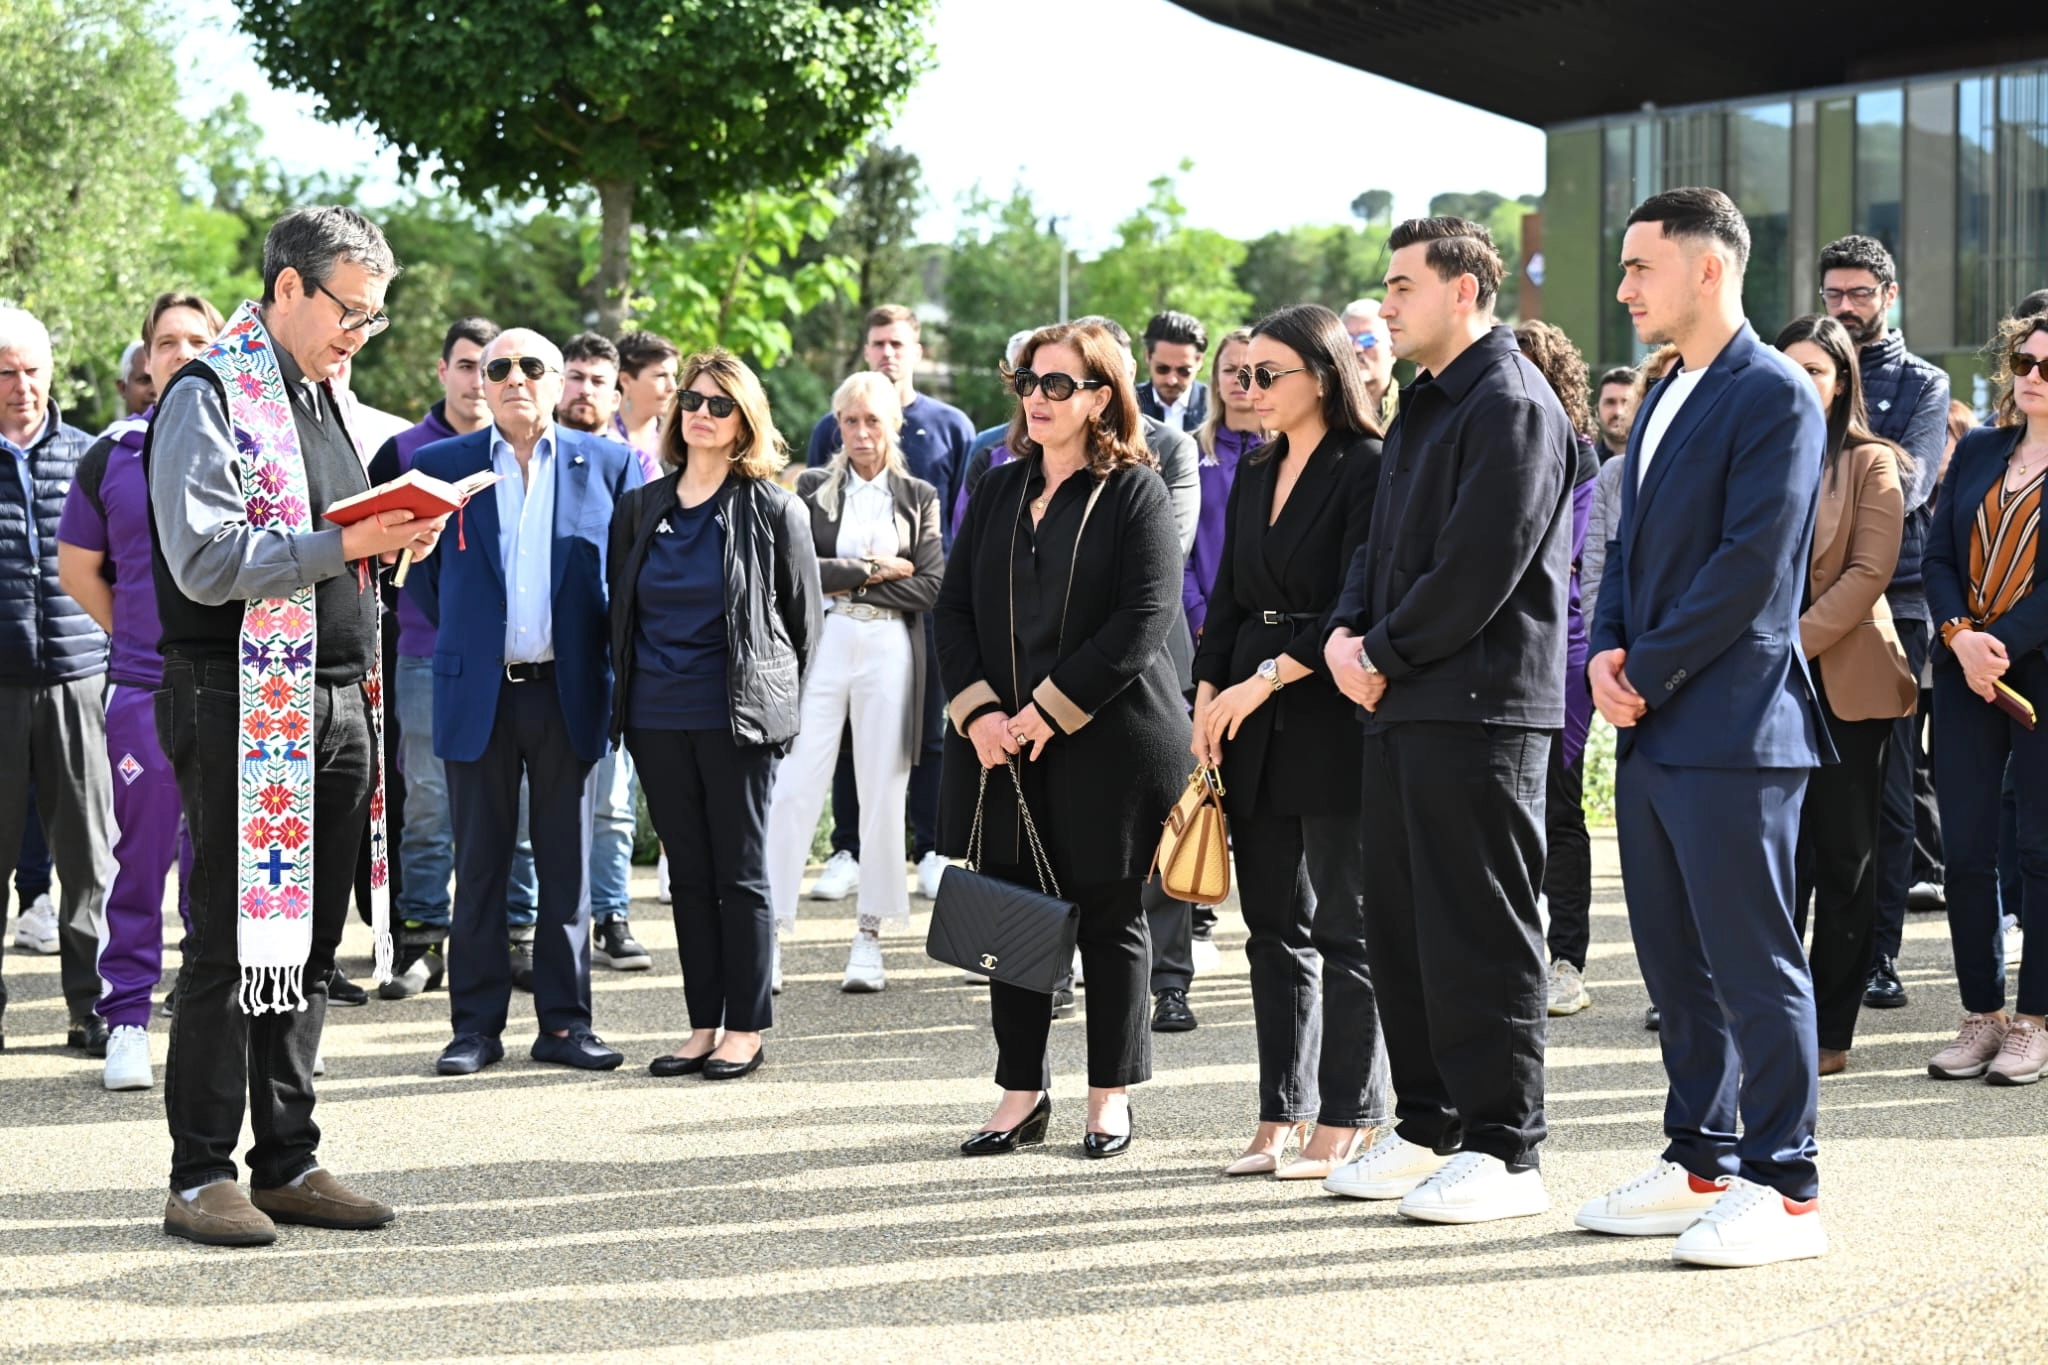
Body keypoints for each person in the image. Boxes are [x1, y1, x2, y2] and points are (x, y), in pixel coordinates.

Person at [146, 206, 436, 1246]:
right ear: (286, 289)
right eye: (350, 311)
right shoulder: (211, 391)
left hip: (334, 696)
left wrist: (385, 543)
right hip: (235, 694)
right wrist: (342, 542)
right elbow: (208, 561)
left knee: (307, 946)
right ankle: (197, 1174)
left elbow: (320, 544)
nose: (362, 332)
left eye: (376, 318)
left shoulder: (319, 395)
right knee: (230, 941)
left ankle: (286, 1159)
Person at [1579, 187, 1831, 1267]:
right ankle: (1701, 1160)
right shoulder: (1667, 389)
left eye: (1640, 267)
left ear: (1706, 269)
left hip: (1734, 728)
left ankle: (1785, 1187)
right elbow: (1626, 546)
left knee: (1753, 961)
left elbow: (1751, 567)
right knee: (1674, 965)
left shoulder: (1773, 394)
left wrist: (1651, 666)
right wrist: (1604, 648)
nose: (1625, 287)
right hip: (1651, 724)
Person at [1318, 217, 1571, 1224]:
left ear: (1463, 290)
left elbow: (1480, 563)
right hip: (1400, 700)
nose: (1384, 303)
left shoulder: (1511, 403)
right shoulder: (1423, 404)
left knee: (1478, 929)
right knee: (1403, 926)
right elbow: (1375, 550)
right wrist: (1345, 636)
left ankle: (1506, 1152)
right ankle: (1429, 1129)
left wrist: (1377, 653)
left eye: (1401, 285)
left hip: (1478, 705)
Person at [938, 321, 1188, 1158]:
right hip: (1001, 743)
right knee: (1013, 915)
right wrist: (978, 714)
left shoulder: (1135, 492)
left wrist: (1046, 709)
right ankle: (1020, 1092)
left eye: (1058, 384)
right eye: (1029, 382)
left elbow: (1143, 620)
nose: (1037, 398)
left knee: (1110, 916)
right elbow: (955, 611)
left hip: (1108, 737)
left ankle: (1108, 1097)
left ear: (1102, 397)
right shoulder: (999, 486)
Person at [409, 328, 644, 1077]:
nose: (511, 378)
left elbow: (630, 577)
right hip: (477, 691)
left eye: (529, 367)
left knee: (567, 867)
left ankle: (567, 1024)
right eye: (496, 367)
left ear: (557, 380)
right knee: (477, 865)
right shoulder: (440, 466)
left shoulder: (608, 464)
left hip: (566, 692)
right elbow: (422, 580)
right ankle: (474, 1028)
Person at [1190, 304, 1391, 1179]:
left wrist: (1263, 678)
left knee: (1343, 924)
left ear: (1323, 373)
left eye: (1269, 373)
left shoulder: (1368, 467)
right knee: (1270, 926)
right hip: (1244, 714)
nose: (1250, 389)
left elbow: (1356, 601)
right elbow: (1229, 595)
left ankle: (1349, 1113)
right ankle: (1280, 1108)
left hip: (1323, 710)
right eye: (1243, 373)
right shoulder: (1256, 467)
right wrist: (1204, 691)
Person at [611, 349, 818, 1080]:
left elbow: (801, 628)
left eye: (719, 405)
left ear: (744, 422)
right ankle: (702, 1023)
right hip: (655, 717)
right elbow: (622, 612)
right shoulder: (640, 508)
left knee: (741, 873)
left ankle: (746, 1026)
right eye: (692, 402)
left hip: (739, 720)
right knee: (688, 875)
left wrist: (777, 712)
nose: (701, 413)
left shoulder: (773, 507)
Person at [55, 291, 220, 1089]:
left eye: (198, 339)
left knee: (218, 858)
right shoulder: (113, 451)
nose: (182, 351)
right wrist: (137, 637)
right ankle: (125, 1017)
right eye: (167, 341)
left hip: (232, 689)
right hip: (145, 689)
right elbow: (78, 568)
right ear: (147, 360)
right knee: (143, 854)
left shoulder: (252, 448)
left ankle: (212, 1011)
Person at [366, 317, 541, 998]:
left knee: (521, 805)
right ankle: (420, 941)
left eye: (497, 368)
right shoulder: (406, 450)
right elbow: (380, 555)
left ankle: (518, 936)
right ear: (445, 372)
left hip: (516, 664)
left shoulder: (527, 450)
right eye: (472, 367)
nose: (485, 381)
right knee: (430, 804)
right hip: (425, 656)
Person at [767, 373, 942, 991]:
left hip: (891, 645)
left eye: (873, 420)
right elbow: (797, 571)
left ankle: (869, 937)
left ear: (894, 424)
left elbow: (930, 583)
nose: (862, 432)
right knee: (793, 786)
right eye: (850, 421)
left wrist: (854, 580)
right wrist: (870, 568)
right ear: (836, 425)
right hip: (826, 642)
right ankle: (771, 933)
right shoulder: (812, 487)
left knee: (883, 791)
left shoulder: (918, 494)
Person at [1775, 314, 1916, 1076]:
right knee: (1772, 859)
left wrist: (1788, 644)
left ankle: (1830, 1031)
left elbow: (1869, 572)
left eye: (1817, 369)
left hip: (1842, 682)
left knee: (1844, 855)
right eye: (1789, 365)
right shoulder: (1756, 452)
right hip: (1761, 684)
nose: (1802, 380)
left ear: (1841, 382)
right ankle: (1770, 1015)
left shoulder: (1872, 462)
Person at [1817, 236, 1953, 1015]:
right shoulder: (1797, 368)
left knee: (1888, 792)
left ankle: (1880, 956)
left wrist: (1840, 466)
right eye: (1834, 293)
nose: (1845, 306)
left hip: (1891, 606)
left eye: (1859, 293)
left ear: (1889, 295)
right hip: (1801, 601)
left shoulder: (1924, 384)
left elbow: (1912, 478)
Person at [806, 307, 976, 912]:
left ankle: (930, 848)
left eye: (898, 343)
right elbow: (811, 541)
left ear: (918, 350)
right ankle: (847, 849)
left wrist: (938, 584)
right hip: (847, 616)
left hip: (929, 601)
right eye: (878, 343)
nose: (887, 353)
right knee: (847, 733)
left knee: (926, 729)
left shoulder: (951, 424)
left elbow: (960, 522)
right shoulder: (837, 422)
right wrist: (866, 577)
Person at [1921, 314, 2048, 1087]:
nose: (2033, 372)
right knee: (1966, 849)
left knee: (2041, 849)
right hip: (1966, 669)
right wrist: (1961, 636)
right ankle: (1982, 1015)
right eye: (2024, 359)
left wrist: (2002, 639)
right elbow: (1936, 556)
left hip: (2037, 674)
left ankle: (2034, 1020)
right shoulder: (1976, 451)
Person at [0, 306, 115, 1060]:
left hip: (78, 680)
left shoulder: (88, 456)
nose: (21, 386)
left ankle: (92, 1007)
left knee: (88, 859)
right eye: (4, 373)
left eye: (31, 369)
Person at [1513, 321, 1602, 1019]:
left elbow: (1569, 559)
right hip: (1498, 649)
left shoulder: (1582, 459)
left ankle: (1567, 959)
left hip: (1566, 649)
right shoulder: (1494, 447)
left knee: (1559, 806)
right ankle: (1517, 951)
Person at [556, 330, 652, 972]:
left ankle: (612, 915)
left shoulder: (634, 464)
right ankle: (536, 923)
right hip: (539, 659)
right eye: (576, 376)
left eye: (598, 380)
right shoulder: (531, 452)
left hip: (609, 658)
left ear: (616, 390)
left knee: (614, 803)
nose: (585, 390)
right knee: (542, 809)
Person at [1182, 329, 1261, 647]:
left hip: (1266, 627)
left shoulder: (1290, 451)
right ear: (1215, 379)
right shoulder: (1188, 451)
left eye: (1251, 371)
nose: (1239, 379)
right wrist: (1199, 617)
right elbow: (1178, 548)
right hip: (1204, 627)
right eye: (1229, 370)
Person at [1136, 311, 1209, 432]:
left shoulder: (1218, 408)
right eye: (1162, 369)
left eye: (1184, 371)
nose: (1172, 380)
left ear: (1199, 361)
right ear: (1148, 356)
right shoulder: (1125, 403)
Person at [615, 330, 679, 462]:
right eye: (660, 376)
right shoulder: (596, 433)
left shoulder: (679, 439)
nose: (672, 387)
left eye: (674, 376)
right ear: (625, 380)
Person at [1339, 298, 1398, 425]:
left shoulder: (1413, 411)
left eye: (1367, 340)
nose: (1356, 348)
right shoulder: (1322, 412)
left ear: (1392, 350)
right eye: (1347, 340)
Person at [1594, 365, 1637, 462]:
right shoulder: (1585, 468)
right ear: (1597, 411)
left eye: (1627, 403)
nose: (1618, 411)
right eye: (1610, 402)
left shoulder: (1654, 463)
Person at [114, 340, 154, 421]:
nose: (155, 390)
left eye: (165, 382)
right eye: (145, 380)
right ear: (123, 388)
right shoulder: (120, 433)